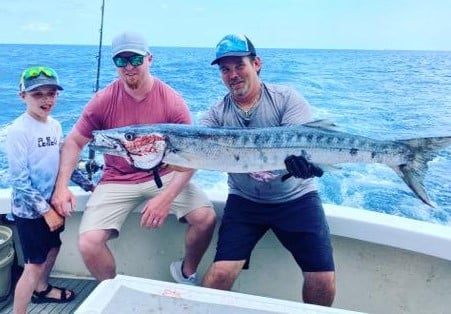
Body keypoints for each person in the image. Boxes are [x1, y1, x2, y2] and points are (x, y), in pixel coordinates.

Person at [51, 31, 216, 285]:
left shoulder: (172, 101)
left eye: (136, 60)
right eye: (121, 61)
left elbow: (191, 155)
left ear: (149, 59)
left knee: (205, 218)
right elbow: (74, 141)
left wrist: (165, 199)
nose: (129, 67)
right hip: (116, 180)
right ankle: (114, 291)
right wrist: (61, 187)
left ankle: (186, 273)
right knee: (88, 242)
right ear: (115, 64)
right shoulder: (103, 100)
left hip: (163, 174)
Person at [200, 34, 336, 306]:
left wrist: (306, 166)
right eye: (225, 69)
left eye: (239, 65)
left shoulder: (286, 99)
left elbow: (304, 146)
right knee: (220, 274)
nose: (233, 74)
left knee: (322, 279)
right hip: (245, 201)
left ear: (257, 64)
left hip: (296, 199)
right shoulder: (214, 116)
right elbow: (191, 152)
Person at [6, 66, 75, 314]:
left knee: (54, 247)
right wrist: (46, 211)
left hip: (53, 204)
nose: (46, 100)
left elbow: (61, 163)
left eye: (51, 93)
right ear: (22, 96)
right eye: (38, 94)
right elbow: (20, 181)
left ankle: (42, 289)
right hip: (32, 212)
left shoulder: (55, 126)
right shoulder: (17, 131)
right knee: (33, 265)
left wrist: (70, 188)